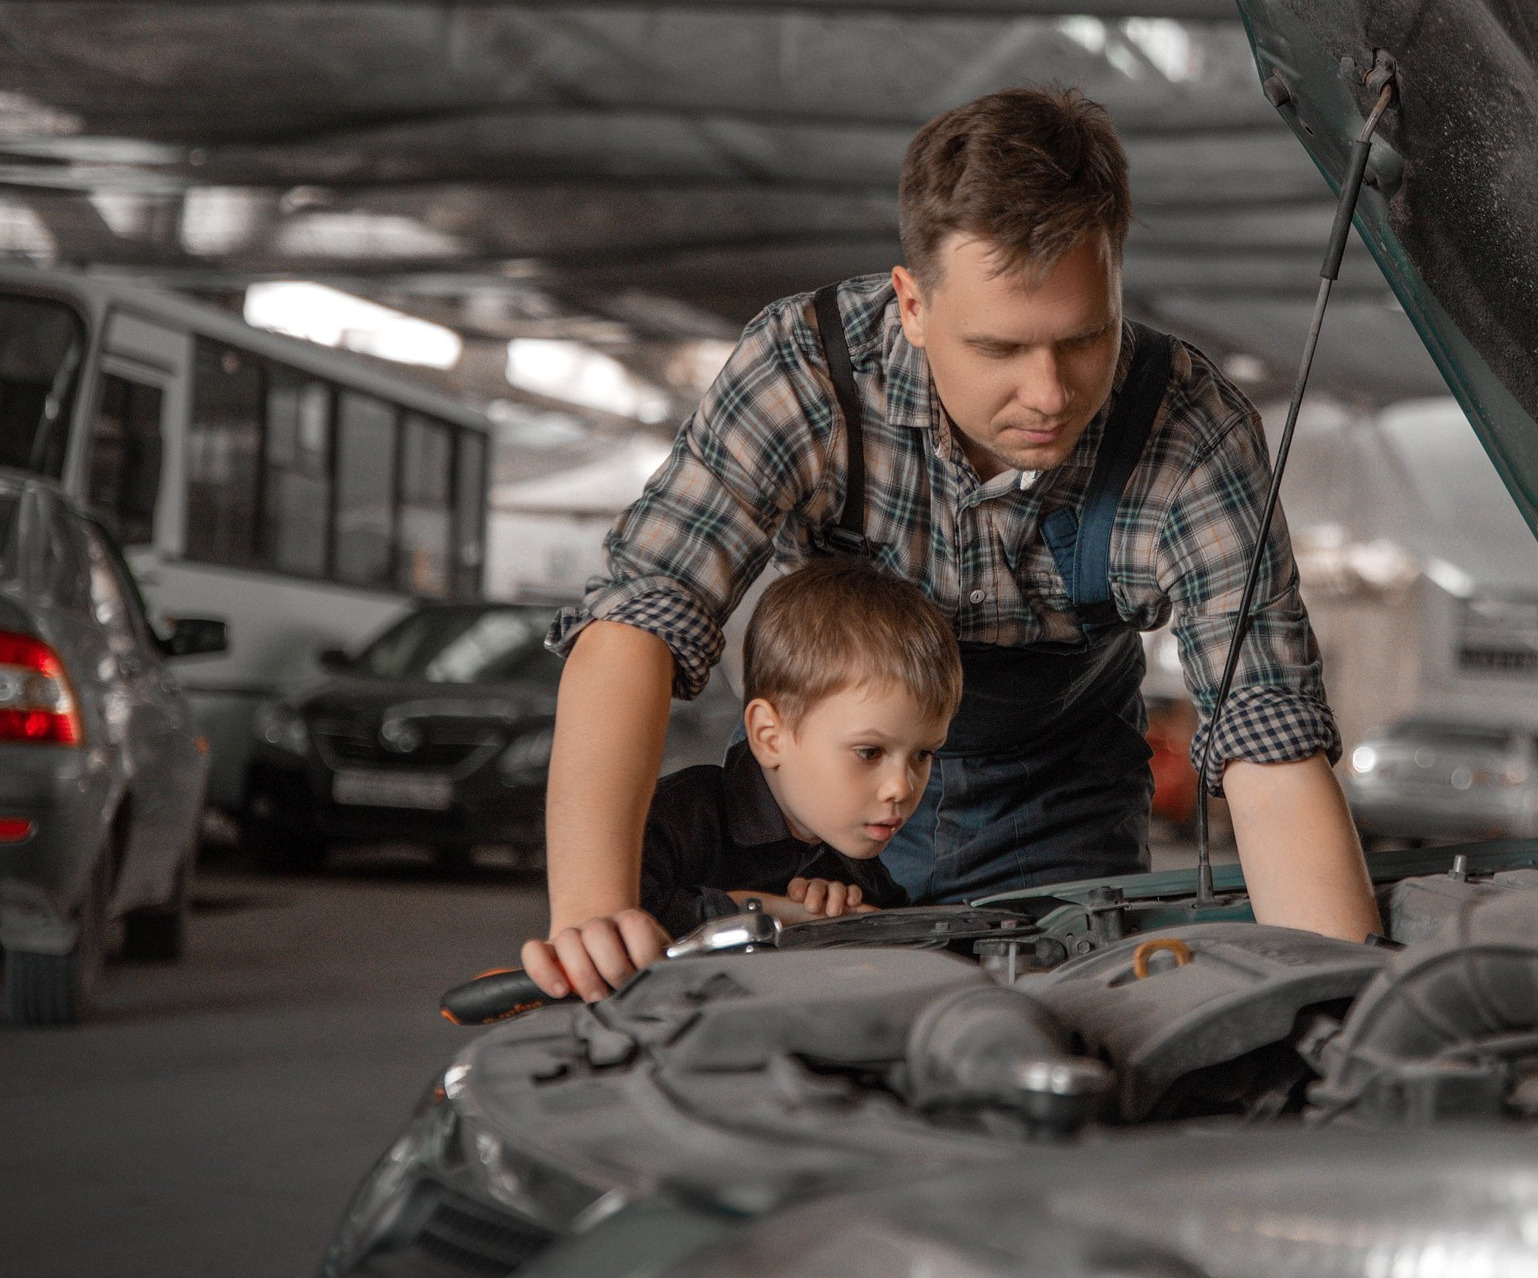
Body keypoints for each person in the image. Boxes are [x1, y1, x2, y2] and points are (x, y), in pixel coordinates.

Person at [525, 85, 1378, 1003]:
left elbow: (1268, 735)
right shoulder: (802, 375)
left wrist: (1337, 1001)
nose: (1049, 393)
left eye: (1085, 339)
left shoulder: (1190, 433)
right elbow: (643, 614)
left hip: (1063, 805)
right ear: (914, 305)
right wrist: (591, 914)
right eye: (1000, 349)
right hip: (820, 800)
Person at [633, 559, 959, 940]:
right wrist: (764, 910)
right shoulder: (674, 821)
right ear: (770, 736)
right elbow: (620, 924)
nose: (901, 788)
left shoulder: (857, 871)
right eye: (869, 752)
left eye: (923, 754)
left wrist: (843, 921)